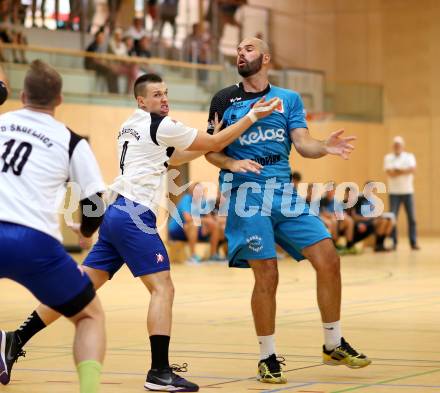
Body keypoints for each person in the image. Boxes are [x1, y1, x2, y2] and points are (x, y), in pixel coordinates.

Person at [2, 72, 279, 391]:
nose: (164, 99)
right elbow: (212, 144)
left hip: (116, 212)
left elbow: (179, 155)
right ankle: (159, 371)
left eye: (166, 93)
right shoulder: (160, 124)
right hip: (134, 214)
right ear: (141, 100)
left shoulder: (132, 125)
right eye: (157, 94)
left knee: (79, 288)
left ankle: (15, 339)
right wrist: (251, 117)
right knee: (163, 288)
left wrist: (213, 139)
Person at [205, 37, 371, 384]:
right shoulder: (224, 99)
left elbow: (303, 143)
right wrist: (231, 164)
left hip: (283, 192)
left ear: (265, 58)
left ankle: (333, 343)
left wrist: (324, 146)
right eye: (238, 50)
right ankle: (267, 356)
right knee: (267, 273)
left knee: (329, 258)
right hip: (245, 193)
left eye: (248, 49)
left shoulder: (289, 100)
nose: (240, 53)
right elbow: (211, 149)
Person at [0, 60, 106, 392]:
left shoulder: (1, 123)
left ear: (21, 94)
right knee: (89, 317)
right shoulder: (72, 141)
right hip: (34, 242)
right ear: (60, 99)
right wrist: (86, 233)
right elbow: (96, 202)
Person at [168, 182, 223, 263]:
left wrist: (209, 223)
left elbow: (210, 219)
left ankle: (213, 255)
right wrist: (205, 221)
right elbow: (188, 219)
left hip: (193, 229)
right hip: (177, 230)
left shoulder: (203, 201)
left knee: (215, 225)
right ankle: (193, 256)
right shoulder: (186, 199)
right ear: (191, 191)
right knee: (193, 224)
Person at [384, 136, 419, 250]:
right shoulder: (388, 157)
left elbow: (413, 169)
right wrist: (404, 170)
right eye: (395, 145)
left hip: (408, 191)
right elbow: (390, 173)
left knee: (412, 218)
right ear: (393, 146)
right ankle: (394, 242)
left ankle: (413, 242)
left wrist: (397, 170)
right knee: (393, 218)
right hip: (394, 192)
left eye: (399, 145)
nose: (397, 147)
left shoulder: (409, 157)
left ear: (403, 146)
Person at [85, 29, 119, 93]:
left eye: (103, 37)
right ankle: (113, 92)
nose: (102, 39)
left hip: (98, 65)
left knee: (113, 70)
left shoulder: (100, 46)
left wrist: (106, 63)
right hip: (91, 65)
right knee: (110, 70)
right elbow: (94, 60)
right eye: (100, 37)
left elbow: (101, 59)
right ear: (96, 37)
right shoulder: (92, 46)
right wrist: (104, 64)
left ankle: (115, 91)